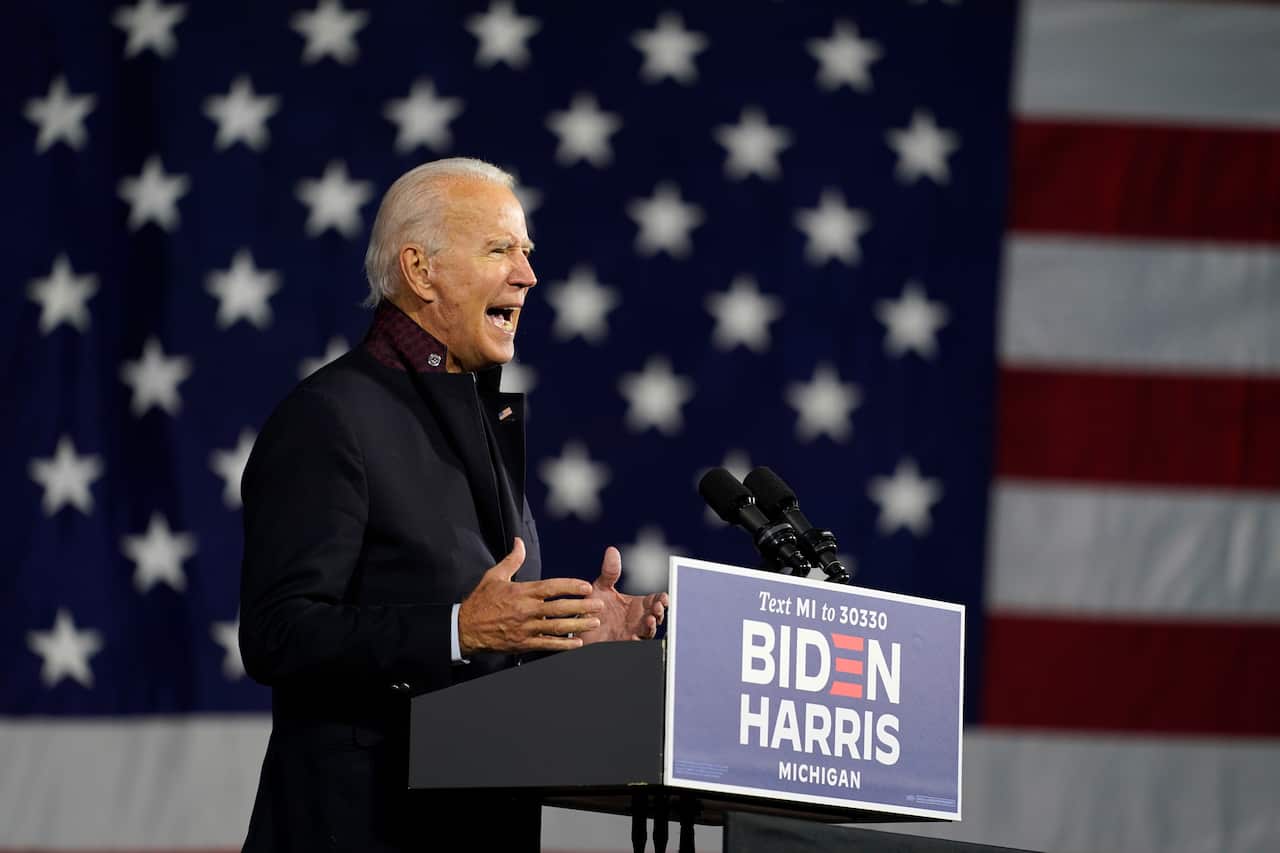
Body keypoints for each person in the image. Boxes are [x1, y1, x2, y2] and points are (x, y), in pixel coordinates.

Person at [237, 157, 669, 852]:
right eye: (500, 249)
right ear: (420, 269)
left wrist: (567, 638)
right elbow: (277, 633)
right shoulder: (330, 417)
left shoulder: (479, 416)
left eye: (526, 252)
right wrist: (457, 629)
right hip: (360, 828)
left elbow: (488, 641)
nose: (528, 275)